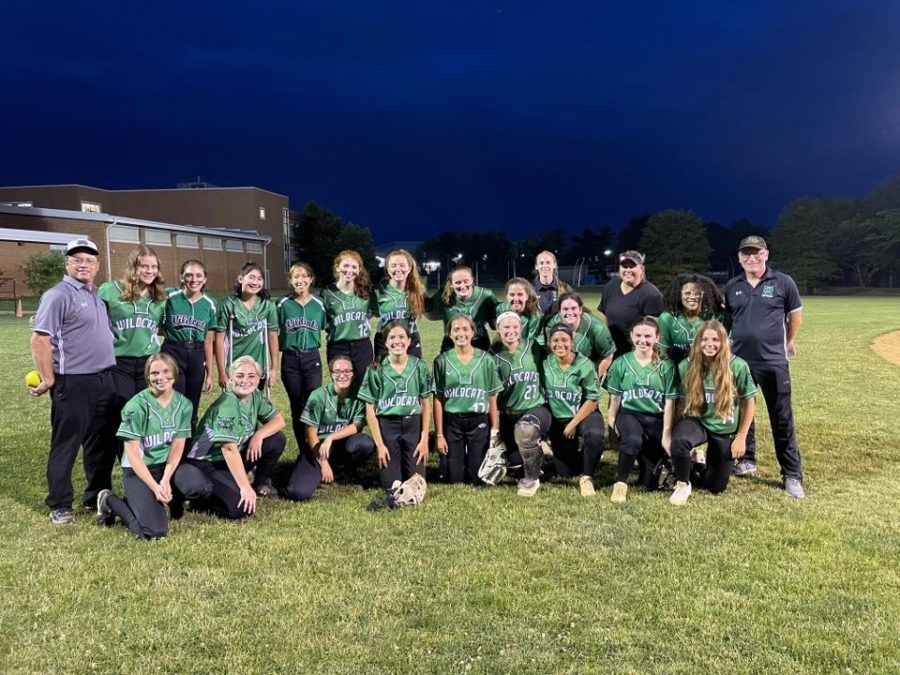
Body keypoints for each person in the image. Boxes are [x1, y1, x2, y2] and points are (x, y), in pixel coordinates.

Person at [29, 238, 116, 524]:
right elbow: (40, 339)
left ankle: (96, 495)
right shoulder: (58, 294)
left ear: (98, 265)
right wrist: (48, 378)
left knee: (101, 443)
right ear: (67, 263)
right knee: (67, 443)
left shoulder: (96, 295)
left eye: (89, 259)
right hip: (74, 382)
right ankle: (60, 503)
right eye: (77, 258)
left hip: (105, 379)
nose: (83, 264)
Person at [725, 236, 805, 498]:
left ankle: (791, 474)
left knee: (781, 418)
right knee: (741, 412)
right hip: (739, 363)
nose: (751, 258)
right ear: (739, 258)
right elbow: (728, 323)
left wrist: (787, 342)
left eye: (756, 253)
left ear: (766, 254)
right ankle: (746, 459)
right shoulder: (732, 286)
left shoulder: (783, 282)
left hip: (773, 362)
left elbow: (795, 316)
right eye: (746, 254)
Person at [173, 356, 286, 517]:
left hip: (231, 457)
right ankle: (203, 501)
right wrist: (244, 486)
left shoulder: (254, 396)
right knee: (240, 509)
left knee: (276, 439)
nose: (245, 381)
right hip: (207, 462)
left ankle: (260, 483)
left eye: (251, 376)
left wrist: (259, 435)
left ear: (258, 379)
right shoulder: (226, 406)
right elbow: (228, 449)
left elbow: (279, 420)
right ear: (231, 378)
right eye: (239, 376)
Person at [95, 353, 193, 539]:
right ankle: (109, 501)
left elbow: (177, 447)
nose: (160, 377)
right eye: (154, 373)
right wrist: (155, 488)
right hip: (138, 468)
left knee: (198, 486)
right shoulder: (135, 406)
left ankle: (155, 501)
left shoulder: (184, 404)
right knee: (153, 532)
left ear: (175, 372)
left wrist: (165, 480)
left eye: (166, 371)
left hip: (164, 466)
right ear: (147, 376)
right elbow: (132, 454)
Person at [669, 321, 756, 505]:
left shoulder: (738, 366)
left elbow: (749, 403)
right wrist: (672, 434)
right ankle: (682, 484)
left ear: (724, 342)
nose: (710, 344)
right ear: (697, 342)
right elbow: (681, 401)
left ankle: (695, 465)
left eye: (715, 339)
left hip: (724, 427)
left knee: (715, 487)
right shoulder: (687, 365)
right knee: (680, 440)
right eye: (705, 339)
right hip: (697, 420)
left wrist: (741, 437)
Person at [96, 245, 168, 457]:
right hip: (119, 362)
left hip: (149, 363)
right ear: (133, 267)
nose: (149, 271)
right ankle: (127, 460)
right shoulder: (109, 290)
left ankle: (145, 461)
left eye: (154, 266)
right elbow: (89, 318)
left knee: (147, 413)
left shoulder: (160, 296)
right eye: (143, 266)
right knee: (125, 412)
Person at [605, 317, 678, 503]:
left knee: (649, 482)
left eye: (648, 336)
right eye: (638, 335)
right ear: (631, 335)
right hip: (630, 414)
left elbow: (670, 403)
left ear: (657, 337)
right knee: (632, 439)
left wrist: (667, 434)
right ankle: (620, 484)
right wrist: (611, 424)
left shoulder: (666, 365)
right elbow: (614, 398)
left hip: (655, 418)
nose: (642, 340)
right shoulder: (621, 363)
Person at [285, 356, 375, 501]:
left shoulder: (358, 395)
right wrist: (323, 463)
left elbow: (358, 425)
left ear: (354, 374)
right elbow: (310, 435)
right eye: (337, 371)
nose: (342, 375)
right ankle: (320, 468)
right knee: (298, 492)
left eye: (347, 371)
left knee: (364, 444)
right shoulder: (318, 396)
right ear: (331, 374)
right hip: (317, 448)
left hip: (341, 444)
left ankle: (345, 469)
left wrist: (331, 437)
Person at [359, 321, 433, 489]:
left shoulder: (420, 366)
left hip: (412, 424)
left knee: (417, 482)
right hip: (387, 426)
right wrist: (380, 445)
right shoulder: (375, 369)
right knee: (391, 484)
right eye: (392, 337)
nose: (397, 341)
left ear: (409, 341)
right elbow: (369, 408)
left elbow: (426, 404)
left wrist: (424, 440)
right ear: (385, 343)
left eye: (401, 337)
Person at [433, 315, 502, 484]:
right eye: (456, 329)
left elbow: (492, 396)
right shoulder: (441, 361)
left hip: (478, 420)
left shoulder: (486, 360)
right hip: (453, 421)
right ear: (449, 334)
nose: (461, 333)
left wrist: (495, 430)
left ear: (473, 332)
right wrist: (439, 434)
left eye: (465, 329)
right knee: (454, 478)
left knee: (478, 478)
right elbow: (438, 399)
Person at [540, 324, 605, 497]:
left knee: (595, 436)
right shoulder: (545, 364)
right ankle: (579, 456)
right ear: (549, 342)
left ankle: (587, 476)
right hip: (559, 419)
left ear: (572, 342)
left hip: (584, 414)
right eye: (555, 340)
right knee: (566, 473)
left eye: (564, 340)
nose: (560, 344)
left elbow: (593, 399)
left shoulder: (584, 364)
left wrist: (574, 423)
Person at [492, 311, 551, 497]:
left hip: (536, 408)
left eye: (515, 327)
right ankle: (539, 451)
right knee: (516, 464)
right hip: (509, 415)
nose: (511, 331)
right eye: (506, 327)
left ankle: (532, 481)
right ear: (498, 329)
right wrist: (495, 429)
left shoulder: (533, 346)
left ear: (521, 328)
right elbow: (493, 396)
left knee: (525, 430)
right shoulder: (492, 356)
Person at [161, 259, 216, 429]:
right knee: (173, 400)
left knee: (192, 403)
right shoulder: (170, 297)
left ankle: (188, 448)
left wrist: (210, 373)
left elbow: (208, 341)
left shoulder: (210, 305)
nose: (194, 280)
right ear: (181, 277)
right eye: (189, 275)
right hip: (172, 352)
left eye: (199, 275)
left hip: (196, 354)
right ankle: (168, 446)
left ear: (205, 278)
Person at [277, 262, 325, 451]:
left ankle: (315, 446)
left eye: (305, 276)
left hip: (311, 358)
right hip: (290, 359)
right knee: (297, 406)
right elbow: (274, 331)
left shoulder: (319, 305)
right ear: (290, 280)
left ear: (311, 279)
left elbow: (325, 326)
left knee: (313, 404)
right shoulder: (282, 304)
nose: (300, 280)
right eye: (296, 276)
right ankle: (303, 451)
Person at [213, 261, 279, 393]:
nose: (255, 282)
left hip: (257, 365)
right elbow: (218, 340)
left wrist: (273, 368)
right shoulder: (227, 305)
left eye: (259, 279)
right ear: (240, 279)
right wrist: (221, 372)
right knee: (233, 406)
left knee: (254, 404)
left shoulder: (267, 306)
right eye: (251, 277)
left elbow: (272, 337)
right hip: (234, 365)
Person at [322, 250, 374, 385]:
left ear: (359, 270)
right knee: (342, 387)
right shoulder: (327, 293)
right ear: (337, 267)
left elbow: (375, 312)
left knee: (365, 386)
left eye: (354, 267)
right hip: (338, 346)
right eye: (345, 266)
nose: (349, 270)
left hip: (362, 346)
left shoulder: (365, 291)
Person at [598, 250, 663, 356]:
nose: (628, 270)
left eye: (632, 266)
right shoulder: (612, 285)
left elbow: (652, 330)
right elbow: (603, 312)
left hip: (635, 352)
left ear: (641, 269)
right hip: (612, 349)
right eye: (624, 266)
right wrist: (606, 340)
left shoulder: (651, 294)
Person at [658, 273, 727, 365]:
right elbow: (663, 352)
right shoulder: (667, 318)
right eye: (687, 293)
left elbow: (726, 349)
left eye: (698, 293)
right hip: (678, 369)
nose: (693, 297)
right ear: (679, 295)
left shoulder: (718, 316)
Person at [545, 292, 615, 379]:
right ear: (559, 311)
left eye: (573, 308)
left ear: (580, 309)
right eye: (565, 309)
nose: (570, 312)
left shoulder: (597, 328)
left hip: (586, 371)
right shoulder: (551, 325)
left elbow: (608, 356)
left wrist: (593, 379)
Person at [426, 265, 497, 352]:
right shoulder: (443, 295)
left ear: (472, 280)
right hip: (451, 344)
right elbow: (430, 313)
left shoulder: (486, 295)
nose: (463, 286)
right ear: (451, 284)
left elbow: (494, 323)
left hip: (479, 343)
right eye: (458, 283)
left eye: (466, 281)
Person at [371, 249, 425, 361]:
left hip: (411, 338)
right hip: (385, 340)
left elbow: (430, 312)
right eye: (393, 265)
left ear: (409, 268)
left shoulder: (418, 290)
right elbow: (368, 314)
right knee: (386, 376)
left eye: (402, 265)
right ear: (388, 269)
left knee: (413, 375)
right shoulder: (378, 291)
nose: (398, 269)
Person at [495, 277, 543, 342]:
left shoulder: (535, 317)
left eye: (520, 294)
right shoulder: (500, 308)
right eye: (512, 295)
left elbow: (530, 344)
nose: (516, 299)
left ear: (526, 296)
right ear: (507, 297)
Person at [532, 250, 572, 316]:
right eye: (541, 263)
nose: (545, 266)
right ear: (536, 266)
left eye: (548, 262)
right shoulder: (529, 289)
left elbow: (576, 309)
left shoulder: (565, 288)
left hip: (558, 326)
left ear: (554, 265)